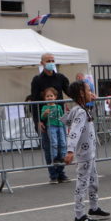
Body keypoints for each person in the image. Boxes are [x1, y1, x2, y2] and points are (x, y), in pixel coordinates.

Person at [63, 81, 110, 221]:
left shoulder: (82, 109)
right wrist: (70, 150)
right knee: (82, 183)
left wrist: (90, 102)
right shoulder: (81, 111)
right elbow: (74, 131)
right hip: (84, 154)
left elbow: (67, 120)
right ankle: (79, 215)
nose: (92, 93)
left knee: (93, 181)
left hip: (90, 153)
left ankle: (94, 208)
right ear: (82, 93)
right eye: (89, 90)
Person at [29, 52, 71, 184]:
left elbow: (70, 91)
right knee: (49, 147)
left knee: (62, 145)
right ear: (42, 63)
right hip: (46, 119)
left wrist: (84, 93)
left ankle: (61, 173)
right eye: (48, 60)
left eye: (52, 60)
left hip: (60, 118)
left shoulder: (60, 77)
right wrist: (38, 121)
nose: (51, 62)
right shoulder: (37, 80)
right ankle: (53, 174)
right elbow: (34, 101)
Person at [40, 88, 68, 168]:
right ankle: (54, 158)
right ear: (45, 98)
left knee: (63, 142)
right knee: (54, 143)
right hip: (51, 126)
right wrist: (45, 113)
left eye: (51, 96)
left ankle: (63, 156)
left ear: (55, 97)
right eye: (47, 96)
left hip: (60, 126)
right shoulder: (45, 107)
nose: (49, 98)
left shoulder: (58, 106)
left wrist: (65, 123)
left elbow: (62, 116)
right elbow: (42, 117)